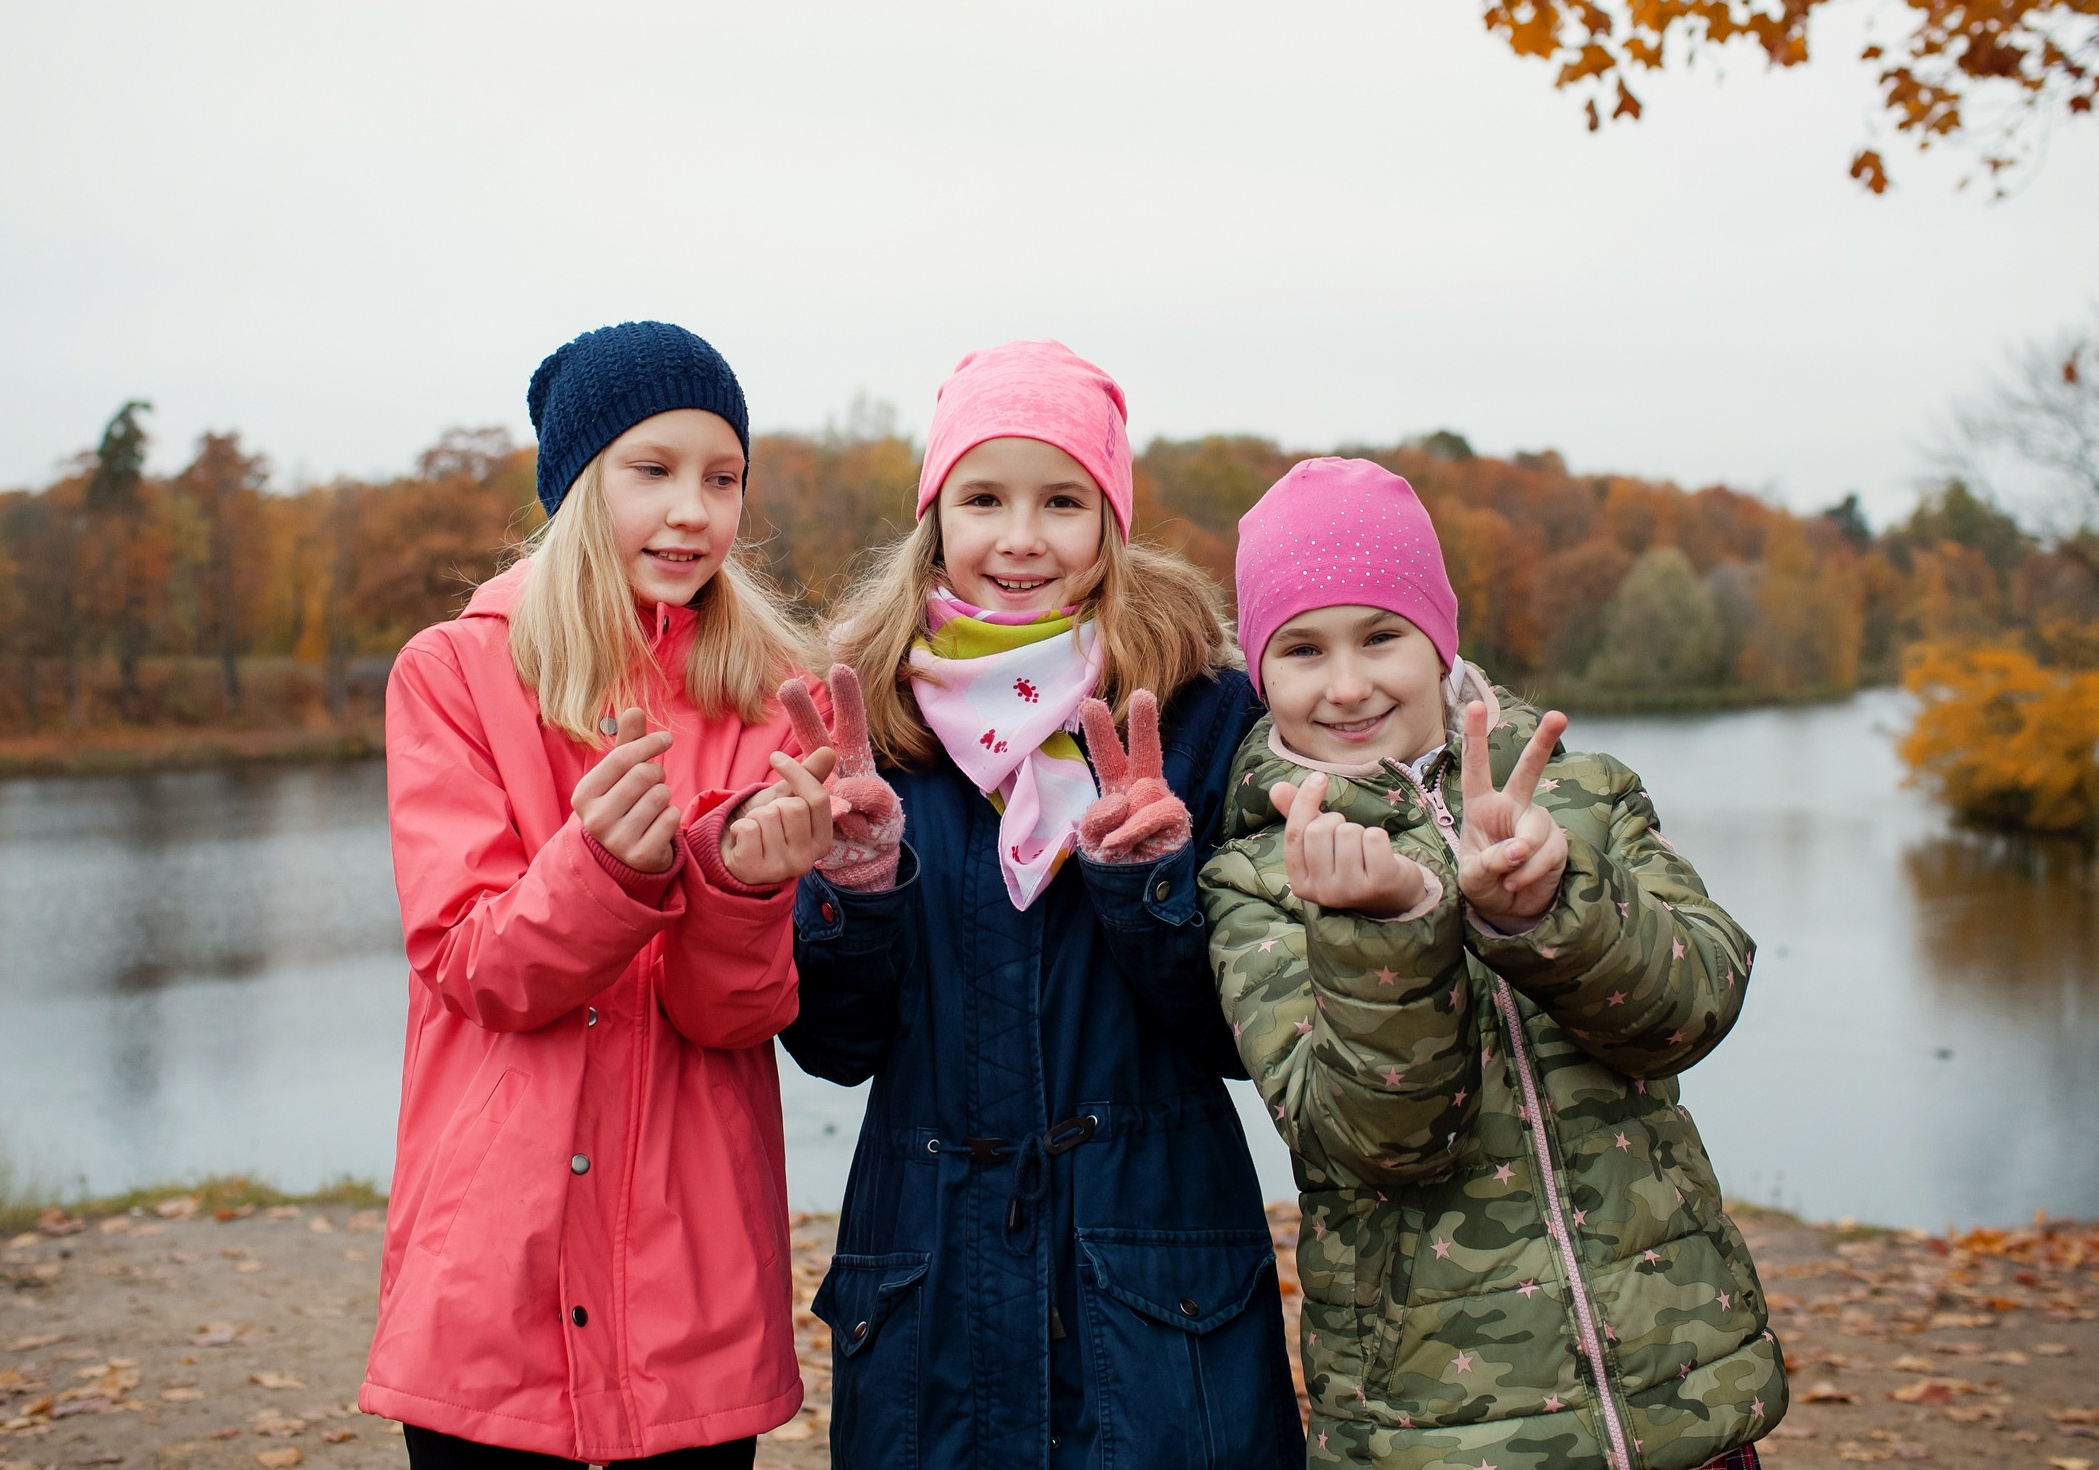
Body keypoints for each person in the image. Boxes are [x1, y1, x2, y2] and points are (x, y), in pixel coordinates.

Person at [779, 340, 1305, 1470]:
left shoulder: (1200, 713)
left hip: (1152, 1294)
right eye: (984, 498)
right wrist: (855, 888)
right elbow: (832, 1046)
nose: (1020, 537)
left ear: (1108, 520)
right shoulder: (864, 720)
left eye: (1061, 499)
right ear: (935, 517)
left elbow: (1240, 1037)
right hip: (930, 1294)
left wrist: (1146, 884)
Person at [1201, 457, 1786, 1470]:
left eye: (1380, 635)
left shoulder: (1582, 795)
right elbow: (1376, 1145)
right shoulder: (1258, 878)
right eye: (1301, 649)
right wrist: (1387, 930)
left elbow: (1696, 1003)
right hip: (1441, 1429)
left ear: (1438, 641)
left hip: (1677, 1388)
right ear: (1262, 673)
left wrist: (1548, 915)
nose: (1346, 685)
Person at [361, 322, 841, 1470]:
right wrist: (607, 872)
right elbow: (477, 966)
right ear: (579, 485)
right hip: (494, 1277)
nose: (694, 511)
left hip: (691, 1283)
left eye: (722, 479)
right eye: (654, 470)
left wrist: (742, 883)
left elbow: (732, 1018)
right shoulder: (452, 673)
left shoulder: (765, 694)